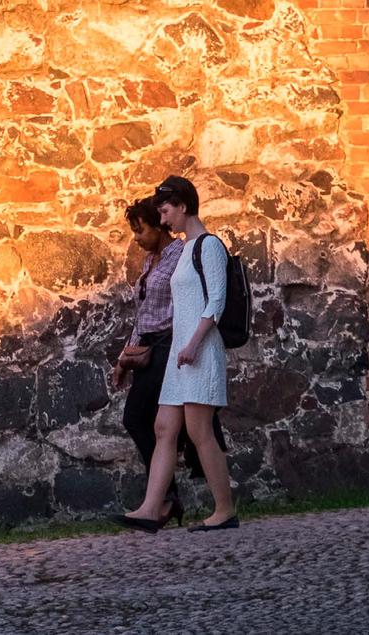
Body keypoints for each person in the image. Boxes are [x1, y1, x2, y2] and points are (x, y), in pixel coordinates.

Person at [113, 175, 238, 533]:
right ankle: (152, 508)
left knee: (200, 433)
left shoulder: (208, 247)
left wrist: (194, 344)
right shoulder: (184, 250)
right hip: (179, 356)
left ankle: (224, 510)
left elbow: (216, 301)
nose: (163, 220)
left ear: (183, 206)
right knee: (164, 427)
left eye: (166, 212)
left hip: (197, 353)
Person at [111, 196, 186, 526]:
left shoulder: (180, 255)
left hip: (168, 348)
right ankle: (167, 498)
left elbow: (182, 306)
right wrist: (124, 358)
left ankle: (163, 501)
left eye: (141, 230)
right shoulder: (150, 262)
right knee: (136, 420)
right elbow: (142, 315)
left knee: (150, 422)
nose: (137, 238)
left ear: (160, 225)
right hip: (147, 351)